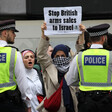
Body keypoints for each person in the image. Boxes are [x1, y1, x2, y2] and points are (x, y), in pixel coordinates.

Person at [66, 23, 112, 112]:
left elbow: (70, 80)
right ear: (103, 38)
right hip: (107, 102)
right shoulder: (110, 56)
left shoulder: (79, 56)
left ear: (91, 39)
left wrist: (83, 82)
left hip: (86, 102)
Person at [36, 22, 78, 112]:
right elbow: (41, 55)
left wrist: (81, 34)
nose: (60, 58)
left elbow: (79, 53)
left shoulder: (73, 65)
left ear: (67, 56)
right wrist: (44, 34)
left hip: (72, 106)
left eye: (63, 56)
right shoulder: (48, 66)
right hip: (55, 107)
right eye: (57, 56)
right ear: (53, 57)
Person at [0, 19, 32, 112]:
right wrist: (28, 104)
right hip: (10, 103)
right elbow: (22, 81)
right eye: (13, 32)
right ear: (5, 33)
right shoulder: (14, 53)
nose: (15, 35)